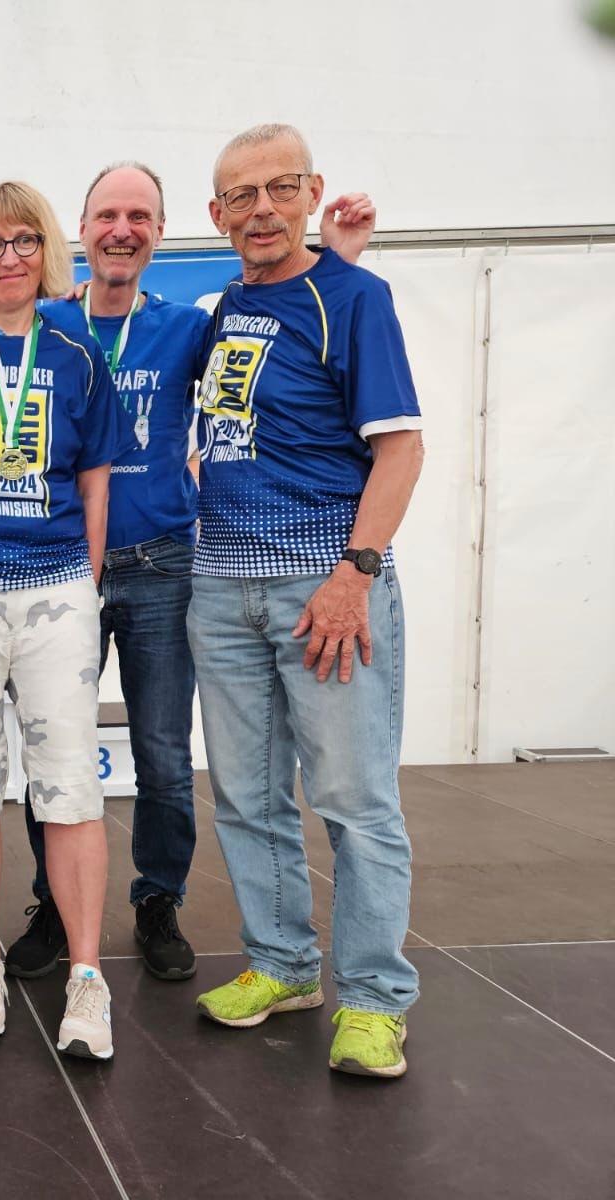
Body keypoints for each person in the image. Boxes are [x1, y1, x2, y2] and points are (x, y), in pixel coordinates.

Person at [8, 165, 379, 983]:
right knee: (52, 748)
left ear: (162, 231)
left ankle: (157, 899)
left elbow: (277, 310)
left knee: (165, 755)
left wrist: (340, 258)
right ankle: (51, 900)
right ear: (82, 226)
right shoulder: (44, 325)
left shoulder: (190, 327)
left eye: (139, 215)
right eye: (107, 213)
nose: (121, 229)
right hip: (63, 565)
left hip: (165, 565)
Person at [189, 124, 423, 1079]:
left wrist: (352, 576)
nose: (260, 209)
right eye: (240, 196)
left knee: (355, 801)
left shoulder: (357, 300)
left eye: (279, 189)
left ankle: (373, 998)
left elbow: (401, 449)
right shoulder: (222, 310)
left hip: (326, 588)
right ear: (216, 216)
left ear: (310, 190)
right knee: (246, 796)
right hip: (222, 587)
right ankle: (283, 965)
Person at [0, 181, 136, 1060]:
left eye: (23, 240)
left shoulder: (77, 352)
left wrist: (84, 588)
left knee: (69, 789)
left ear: (46, 250)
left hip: (56, 592)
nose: (8, 256)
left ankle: (86, 978)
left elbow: (95, 482)